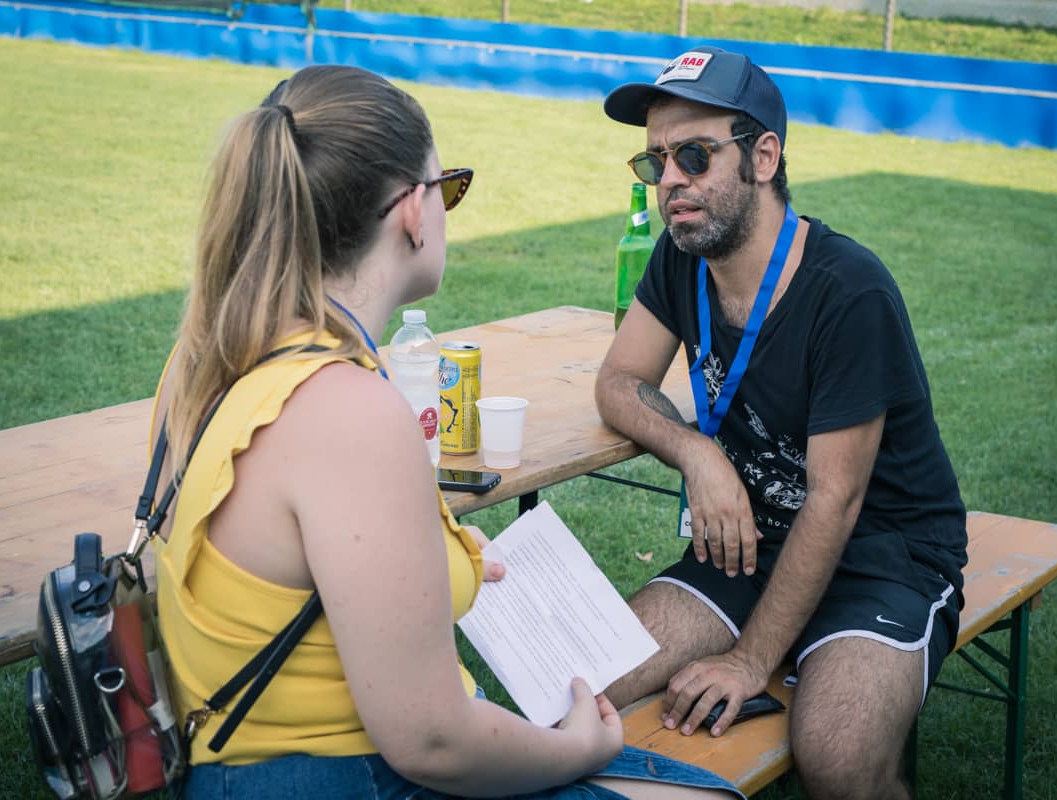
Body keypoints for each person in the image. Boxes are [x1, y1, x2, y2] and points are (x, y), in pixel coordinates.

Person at [148, 65, 743, 800]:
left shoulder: (204, 360)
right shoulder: (349, 409)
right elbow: (431, 741)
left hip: (230, 765)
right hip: (340, 779)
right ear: (412, 212)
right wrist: (575, 749)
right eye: (448, 187)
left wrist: (432, 551)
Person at [595, 47, 969, 800]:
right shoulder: (682, 255)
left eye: (694, 156)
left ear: (763, 157)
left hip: (881, 557)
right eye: (655, 161)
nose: (670, 182)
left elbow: (835, 501)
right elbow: (619, 381)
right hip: (749, 546)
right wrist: (697, 453)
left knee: (837, 759)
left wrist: (748, 661)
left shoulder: (849, 291)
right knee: (586, 681)